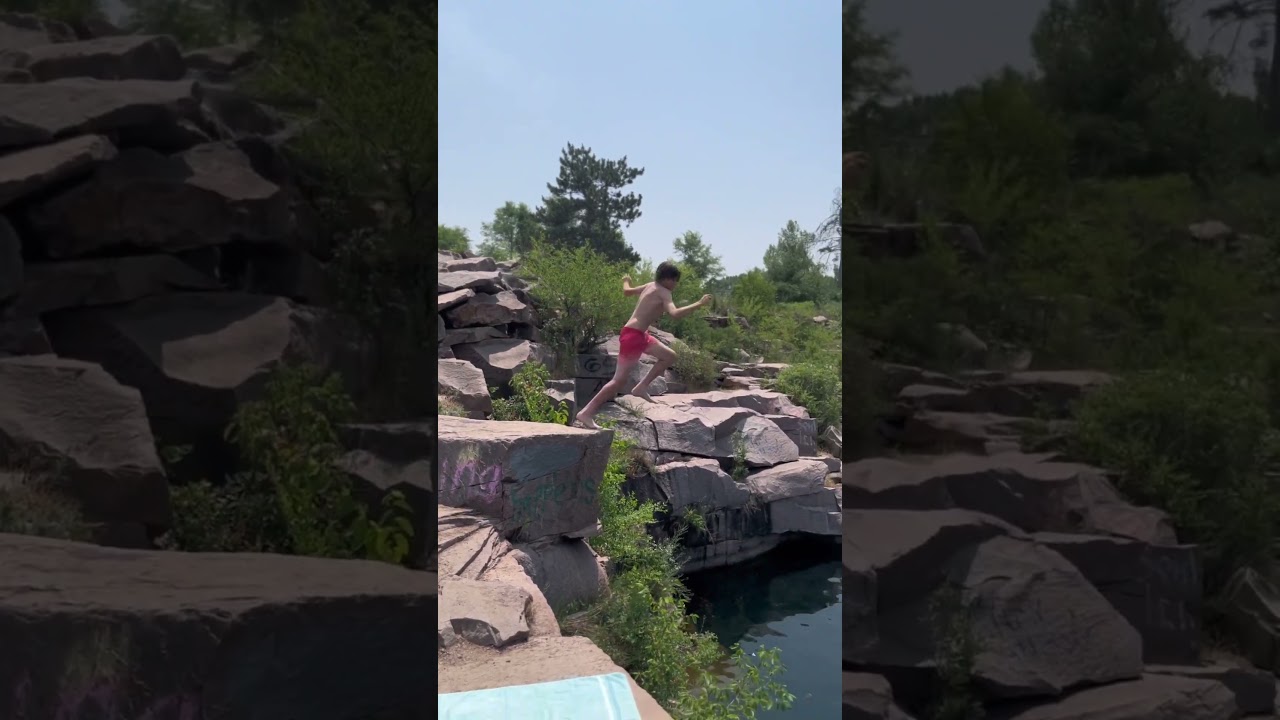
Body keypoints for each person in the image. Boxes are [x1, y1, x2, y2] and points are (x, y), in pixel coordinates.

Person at [575, 261, 711, 430]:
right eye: (675, 281)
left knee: (669, 356)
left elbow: (627, 292)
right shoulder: (664, 292)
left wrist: (626, 280)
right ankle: (586, 413)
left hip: (640, 335)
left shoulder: (650, 285)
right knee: (618, 381)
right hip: (634, 337)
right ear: (669, 279)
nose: (676, 285)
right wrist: (699, 303)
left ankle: (641, 387)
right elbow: (675, 314)